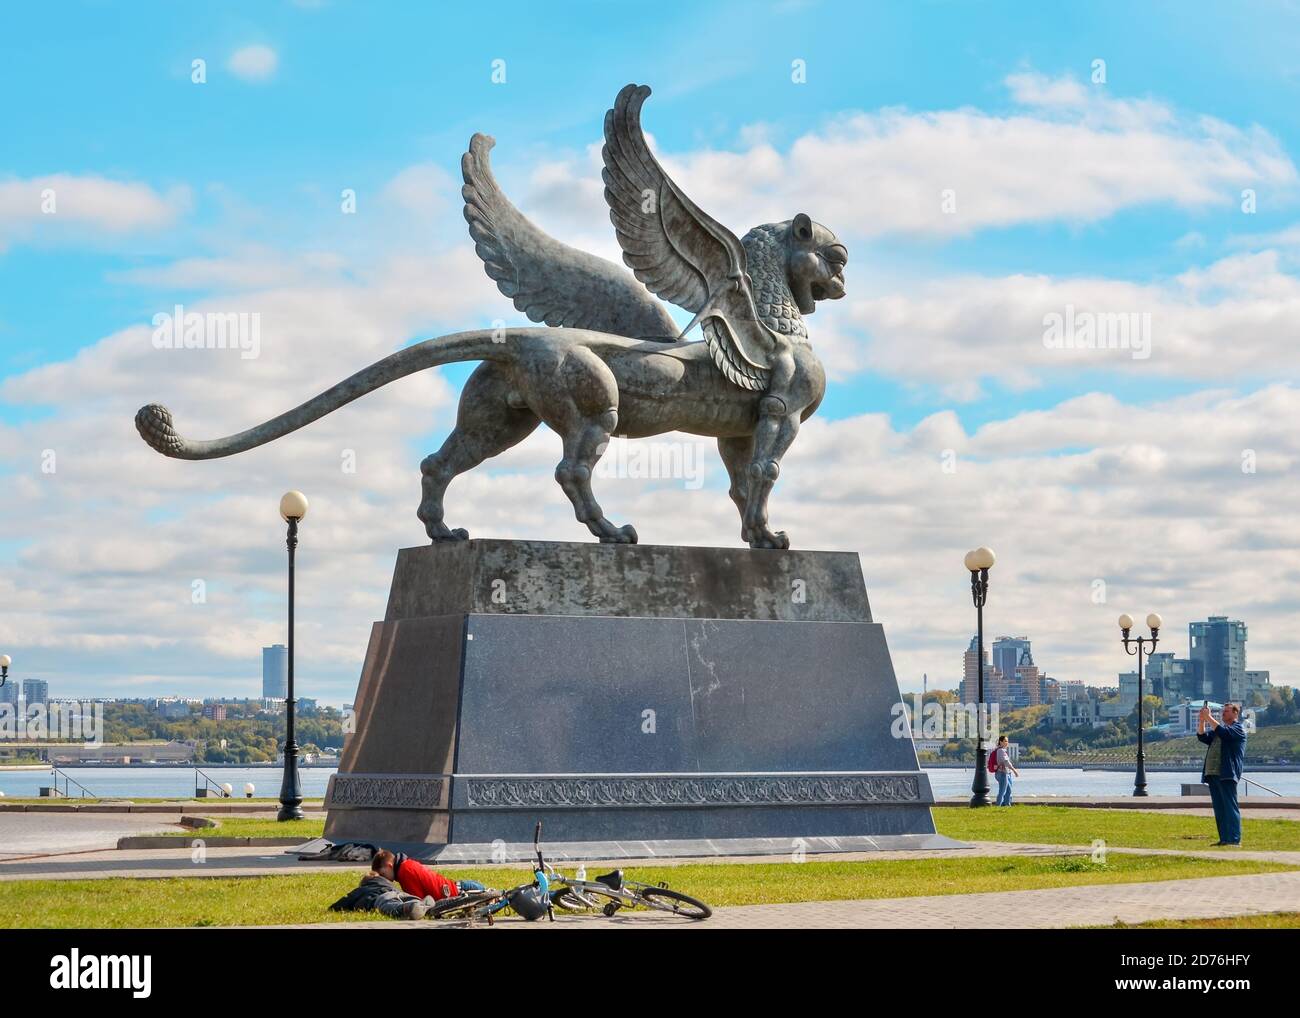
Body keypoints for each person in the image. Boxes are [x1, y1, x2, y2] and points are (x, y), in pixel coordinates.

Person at [1198, 701, 1247, 846]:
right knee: (1219, 808)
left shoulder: (1238, 729)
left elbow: (1224, 734)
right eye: (1222, 711)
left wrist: (1208, 718)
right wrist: (1202, 721)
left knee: (1230, 807)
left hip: (1227, 773)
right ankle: (1224, 838)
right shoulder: (1220, 730)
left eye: (1226, 711)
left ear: (1235, 713)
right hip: (1213, 773)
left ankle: (1233, 839)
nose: (1223, 714)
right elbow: (1202, 736)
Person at [370, 849, 485, 901]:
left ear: (390, 865)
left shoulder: (404, 872)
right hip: (460, 887)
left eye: (383, 874)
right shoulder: (406, 865)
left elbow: (417, 901)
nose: (384, 879)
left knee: (497, 897)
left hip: (460, 893)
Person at [994, 734, 1020, 806]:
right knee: (1002, 791)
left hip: (1005, 773)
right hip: (1002, 773)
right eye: (1005, 741)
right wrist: (1014, 770)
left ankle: (1006, 805)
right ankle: (998, 806)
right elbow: (1006, 762)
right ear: (1001, 742)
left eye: (1007, 741)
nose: (1007, 743)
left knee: (1008, 791)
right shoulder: (1001, 751)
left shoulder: (1002, 751)